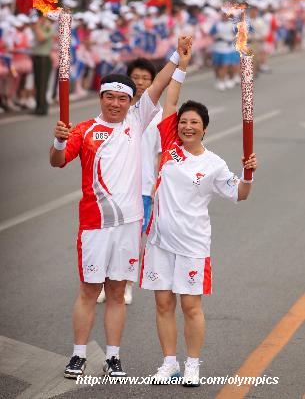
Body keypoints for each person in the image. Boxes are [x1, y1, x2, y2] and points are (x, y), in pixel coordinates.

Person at [50, 36, 191, 379]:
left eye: (122, 98)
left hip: (129, 223)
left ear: (131, 102)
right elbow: (57, 162)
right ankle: (78, 354)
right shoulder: (84, 131)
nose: (116, 103)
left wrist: (176, 55)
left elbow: (157, 85)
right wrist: (58, 139)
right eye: (109, 97)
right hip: (94, 224)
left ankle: (113, 356)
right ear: (101, 98)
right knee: (88, 291)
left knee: (116, 292)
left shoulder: (137, 120)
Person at [140, 39, 257, 386]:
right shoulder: (170, 146)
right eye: (183, 122)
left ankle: (192, 365)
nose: (187, 126)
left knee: (190, 307)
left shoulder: (215, 164)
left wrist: (248, 173)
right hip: (160, 241)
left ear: (205, 127)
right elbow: (171, 99)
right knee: (163, 305)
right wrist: (182, 64)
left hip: (192, 244)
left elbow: (240, 194)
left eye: (194, 123)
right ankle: (170, 363)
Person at [97, 57, 162, 305]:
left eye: (147, 79)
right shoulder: (114, 110)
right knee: (107, 236)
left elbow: (159, 152)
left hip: (143, 187)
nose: (142, 83)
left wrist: (157, 182)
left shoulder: (155, 113)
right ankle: (102, 281)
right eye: (137, 78)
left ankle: (126, 285)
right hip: (112, 187)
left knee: (132, 240)